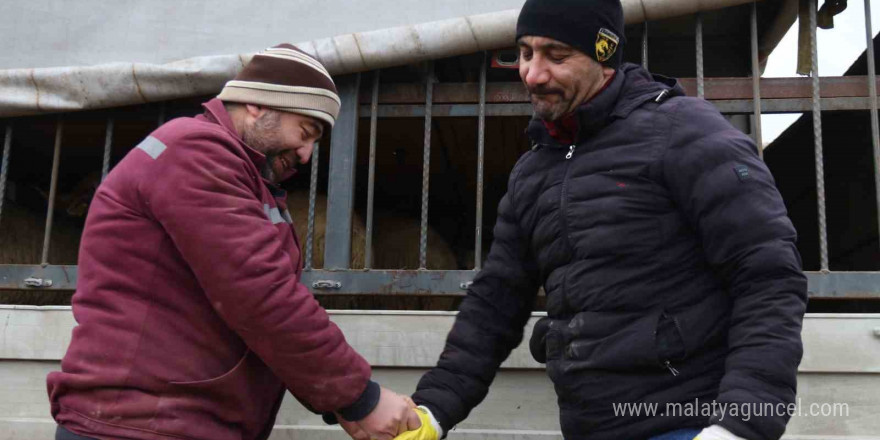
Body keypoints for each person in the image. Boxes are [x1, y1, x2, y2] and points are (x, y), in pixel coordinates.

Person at [397, 1, 808, 440]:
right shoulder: (534, 172)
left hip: (690, 424)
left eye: (556, 56)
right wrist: (433, 411)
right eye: (525, 52)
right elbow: (494, 304)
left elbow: (767, 276)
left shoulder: (684, 132)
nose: (532, 74)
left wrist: (740, 425)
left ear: (604, 56)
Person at [47, 43, 419, 440]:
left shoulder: (247, 180)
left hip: (170, 422)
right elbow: (262, 294)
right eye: (305, 133)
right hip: (139, 425)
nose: (307, 155)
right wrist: (360, 399)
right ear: (258, 104)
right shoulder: (195, 150)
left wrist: (341, 403)